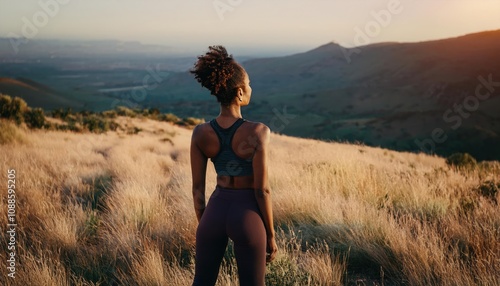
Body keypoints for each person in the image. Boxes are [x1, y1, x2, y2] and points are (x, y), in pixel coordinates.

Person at [189, 45, 278, 286]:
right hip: (247, 214)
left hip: (214, 211)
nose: (251, 89)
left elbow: (197, 190)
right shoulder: (259, 132)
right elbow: (262, 191)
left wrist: (206, 224)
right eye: (249, 85)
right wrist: (270, 234)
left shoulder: (200, 133)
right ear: (239, 93)